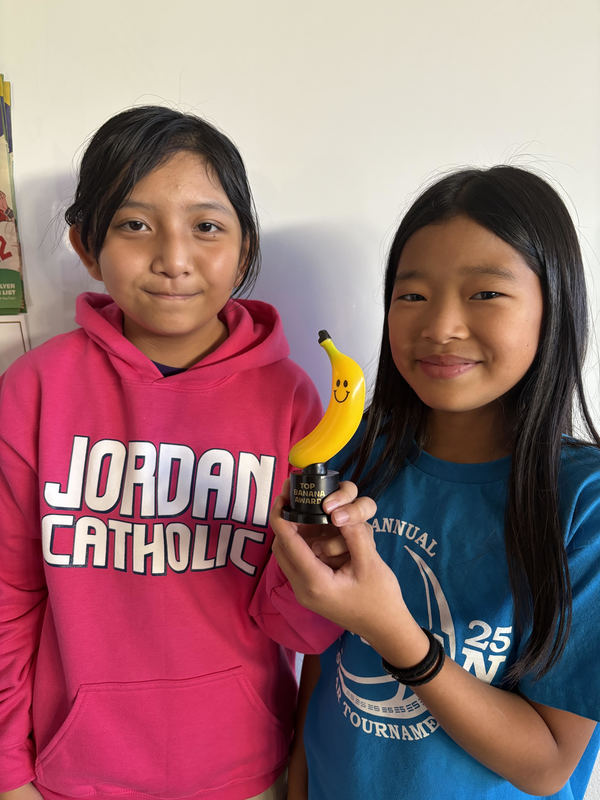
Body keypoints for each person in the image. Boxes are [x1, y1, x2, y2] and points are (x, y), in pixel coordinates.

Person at [0, 105, 350, 800]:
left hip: (245, 771)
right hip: (70, 777)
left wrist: (318, 565)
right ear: (86, 245)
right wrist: (9, 771)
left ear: (245, 249)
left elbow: (300, 629)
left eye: (206, 227)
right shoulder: (35, 389)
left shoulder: (293, 401)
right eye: (135, 225)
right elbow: (8, 594)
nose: (173, 258)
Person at [269, 166, 600, 799]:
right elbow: (324, 645)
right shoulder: (355, 459)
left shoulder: (584, 504)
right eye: (413, 295)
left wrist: (394, 632)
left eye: (486, 293)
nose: (441, 326)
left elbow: (548, 765)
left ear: (553, 307)